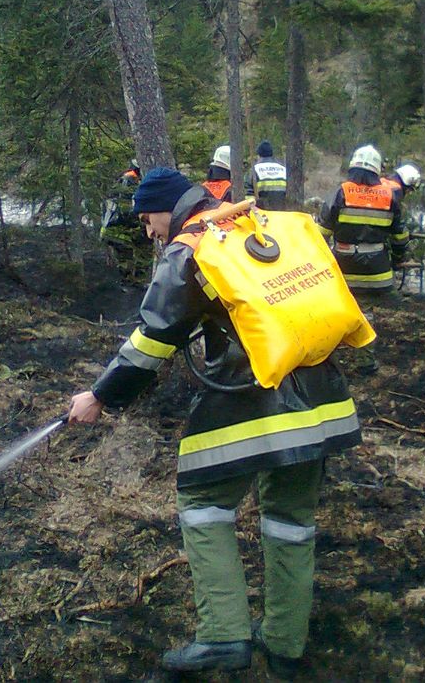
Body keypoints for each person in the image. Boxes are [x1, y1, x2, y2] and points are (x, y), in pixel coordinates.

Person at [67, 168, 362, 677]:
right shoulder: (252, 223)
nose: (147, 231)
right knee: (290, 519)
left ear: (168, 208)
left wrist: (99, 396)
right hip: (322, 400)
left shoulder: (190, 249)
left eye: (148, 218)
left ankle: (224, 636)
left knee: (203, 502)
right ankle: (286, 646)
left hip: (254, 400)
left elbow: (152, 341)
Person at [319, 145, 409, 296]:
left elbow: (321, 235)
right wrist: (397, 259)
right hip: (379, 278)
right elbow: (400, 237)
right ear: (377, 170)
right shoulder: (389, 196)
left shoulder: (340, 193)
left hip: (343, 274)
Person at [100, 160, 151, 283]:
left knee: (125, 259)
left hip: (112, 228)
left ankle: (129, 284)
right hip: (122, 229)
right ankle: (135, 284)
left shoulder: (122, 181)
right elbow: (129, 209)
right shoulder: (130, 181)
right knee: (140, 254)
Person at [245, 140, 288, 210]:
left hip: (263, 212)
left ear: (259, 154)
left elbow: (248, 193)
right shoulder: (283, 168)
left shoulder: (254, 169)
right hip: (283, 212)